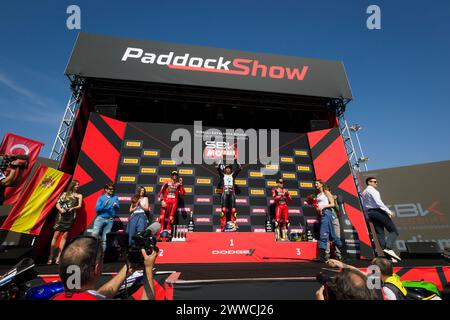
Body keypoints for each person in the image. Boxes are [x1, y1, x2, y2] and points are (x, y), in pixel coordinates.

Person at [53, 236, 156, 300]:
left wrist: (127, 269)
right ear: (96, 269)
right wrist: (148, 269)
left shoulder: (56, 297)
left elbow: (96, 295)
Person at [361, 177, 401, 261]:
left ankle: (388, 258)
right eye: (375, 182)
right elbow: (379, 202)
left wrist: (367, 216)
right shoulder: (372, 191)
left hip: (371, 213)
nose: (376, 183)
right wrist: (388, 211)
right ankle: (388, 248)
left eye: (376, 182)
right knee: (393, 231)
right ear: (369, 182)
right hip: (378, 212)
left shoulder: (364, 192)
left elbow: (364, 206)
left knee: (380, 234)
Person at [47, 180, 83, 264]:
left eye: (78, 185)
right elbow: (57, 204)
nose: (77, 186)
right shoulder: (64, 194)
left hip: (70, 217)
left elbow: (79, 205)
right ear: (72, 185)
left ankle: (58, 257)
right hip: (61, 216)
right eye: (76, 185)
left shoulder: (79, 195)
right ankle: (50, 257)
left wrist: (73, 208)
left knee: (64, 237)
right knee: (56, 235)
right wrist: (61, 210)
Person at [314, 179, 346, 262]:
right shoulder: (318, 195)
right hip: (322, 214)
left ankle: (321, 257)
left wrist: (323, 207)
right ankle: (344, 255)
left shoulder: (326, 192)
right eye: (315, 183)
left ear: (321, 184)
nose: (316, 185)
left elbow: (332, 204)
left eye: (317, 183)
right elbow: (319, 205)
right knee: (332, 236)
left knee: (323, 235)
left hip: (328, 213)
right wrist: (319, 209)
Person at [92, 183, 120, 251]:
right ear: (106, 190)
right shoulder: (101, 198)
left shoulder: (115, 198)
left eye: (113, 189)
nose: (112, 190)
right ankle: (91, 254)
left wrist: (116, 206)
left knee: (105, 239)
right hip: (100, 219)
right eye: (110, 189)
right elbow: (97, 210)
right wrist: (104, 205)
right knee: (94, 236)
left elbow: (117, 208)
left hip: (110, 220)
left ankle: (102, 258)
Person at [157, 171, 185, 235]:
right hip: (166, 201)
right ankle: (161, 230)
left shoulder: (178, 184)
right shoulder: (166, 182)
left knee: (171, 217)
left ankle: (169, 230)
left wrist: (181, 184)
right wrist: (162, 201)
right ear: (171, 176)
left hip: (174, 203)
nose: (174, 176)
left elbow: (182, 193)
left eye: (176, 175)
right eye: (173, 174)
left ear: (177, 176)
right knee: (162, 216)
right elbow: (161, 192)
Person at [216, 159, 242, 231]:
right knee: (223, 210)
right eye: (226, 168)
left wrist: (236, 160)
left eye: (229, 168)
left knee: (233, 210)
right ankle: (223, 225)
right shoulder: (222, 176)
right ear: (224, 170)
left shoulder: (233, 175)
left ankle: (234, 224)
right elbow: (218, 168)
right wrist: (220, 161)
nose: (228, 169)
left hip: (232, 195)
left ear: (231, 170)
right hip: (224, 194)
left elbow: (239, 168)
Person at [324, 185, 342, 260]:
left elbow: (338, 209)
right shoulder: (323, 200)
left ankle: (338, 254)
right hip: (326, 218)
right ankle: (327, 254)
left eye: (329, 191)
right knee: (327, 236)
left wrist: (334, 201)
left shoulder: (333, 200)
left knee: (337, 236)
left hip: (334, 218)